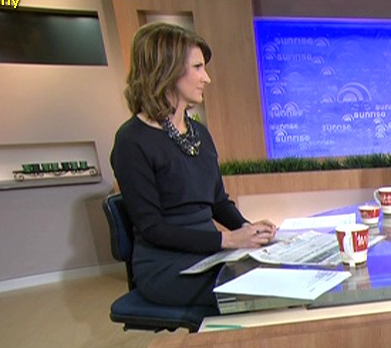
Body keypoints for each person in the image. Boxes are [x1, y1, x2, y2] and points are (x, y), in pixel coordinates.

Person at [110, 22, 275, 309]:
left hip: (209, 252)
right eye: (197, 67)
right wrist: (226, 239)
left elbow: (218, 202)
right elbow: (153, 228)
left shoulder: (199, 133)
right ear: (167, 70)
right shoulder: (131, 141)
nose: (206, 78)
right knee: (262, 289)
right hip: (166, 266)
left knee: (278, 271)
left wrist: (248, 229)